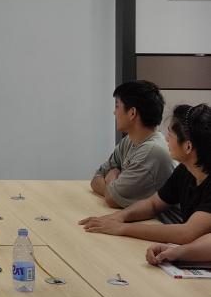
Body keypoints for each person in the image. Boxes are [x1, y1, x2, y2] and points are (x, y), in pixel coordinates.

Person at [80, 103, 211, 244]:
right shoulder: (185, 170)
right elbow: (153, 204)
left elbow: (185, 234)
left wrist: (122, 228)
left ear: (188, 146)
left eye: (170, 134)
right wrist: (119, 216)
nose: (166, 139)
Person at [90, 80, 174, 208]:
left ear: (132, 113)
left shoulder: (152, 150)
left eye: (117, 106)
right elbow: (97, 177)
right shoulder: (129, 140)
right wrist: (112, 188)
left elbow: (113, 199)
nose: (114, 112)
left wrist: (111, 179)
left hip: (158, 219)